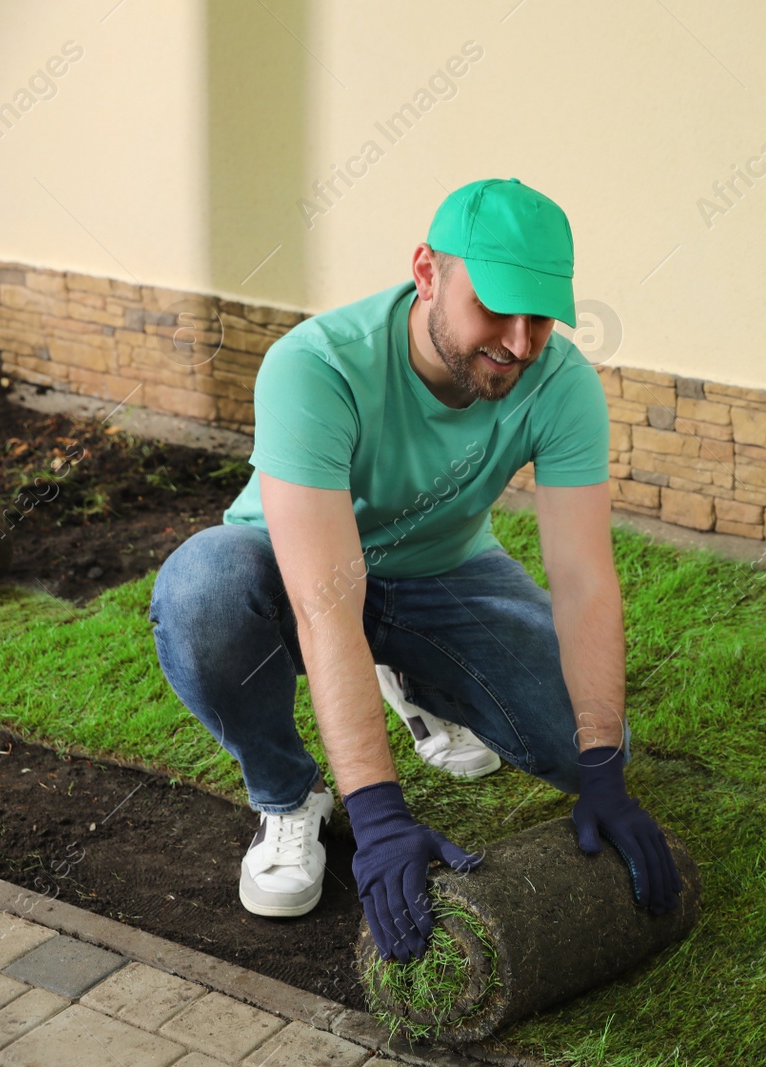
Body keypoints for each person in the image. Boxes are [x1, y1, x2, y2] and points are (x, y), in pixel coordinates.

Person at [148, 178, 680, 964]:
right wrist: (378, 814)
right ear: (427, 271)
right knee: (203, 593)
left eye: (540, 316)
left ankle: (416, 679)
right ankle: (289, 798)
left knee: (588, 744)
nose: (520, 341)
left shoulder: (560, 383)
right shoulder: (316, 366)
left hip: (445, 572)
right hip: (296, 577)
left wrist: (602, 763)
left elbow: (584, 581)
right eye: (496, 306)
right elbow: (326, 605)